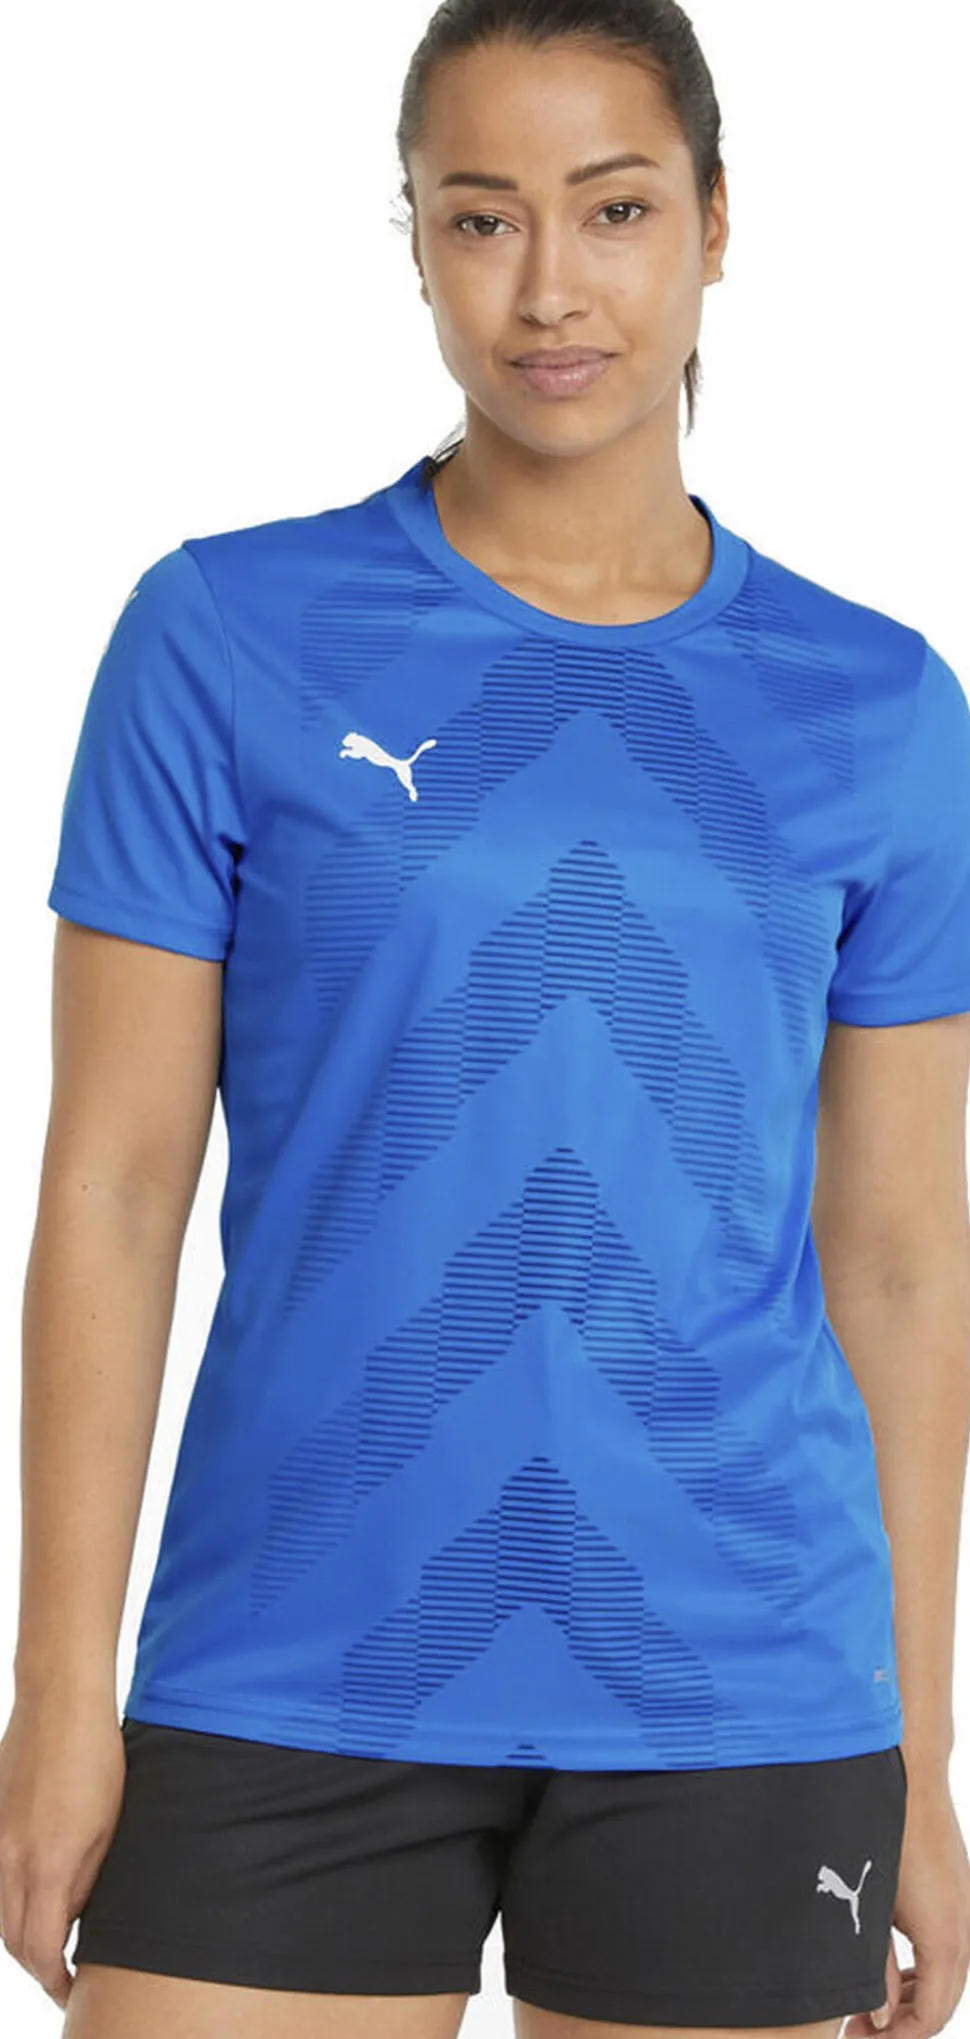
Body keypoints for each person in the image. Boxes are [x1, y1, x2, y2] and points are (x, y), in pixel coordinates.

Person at [2, 1, 970, 2035]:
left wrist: (917, 1746)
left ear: (715, 223)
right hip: (288, 1650)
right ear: (418, 240)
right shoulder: (225, 634)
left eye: (611, 209)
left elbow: (892, 1257)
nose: (546, 288)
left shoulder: (877, 704)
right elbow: (110, 1186)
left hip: (742, 1675)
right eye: (478, 216)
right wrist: (57, 1688)